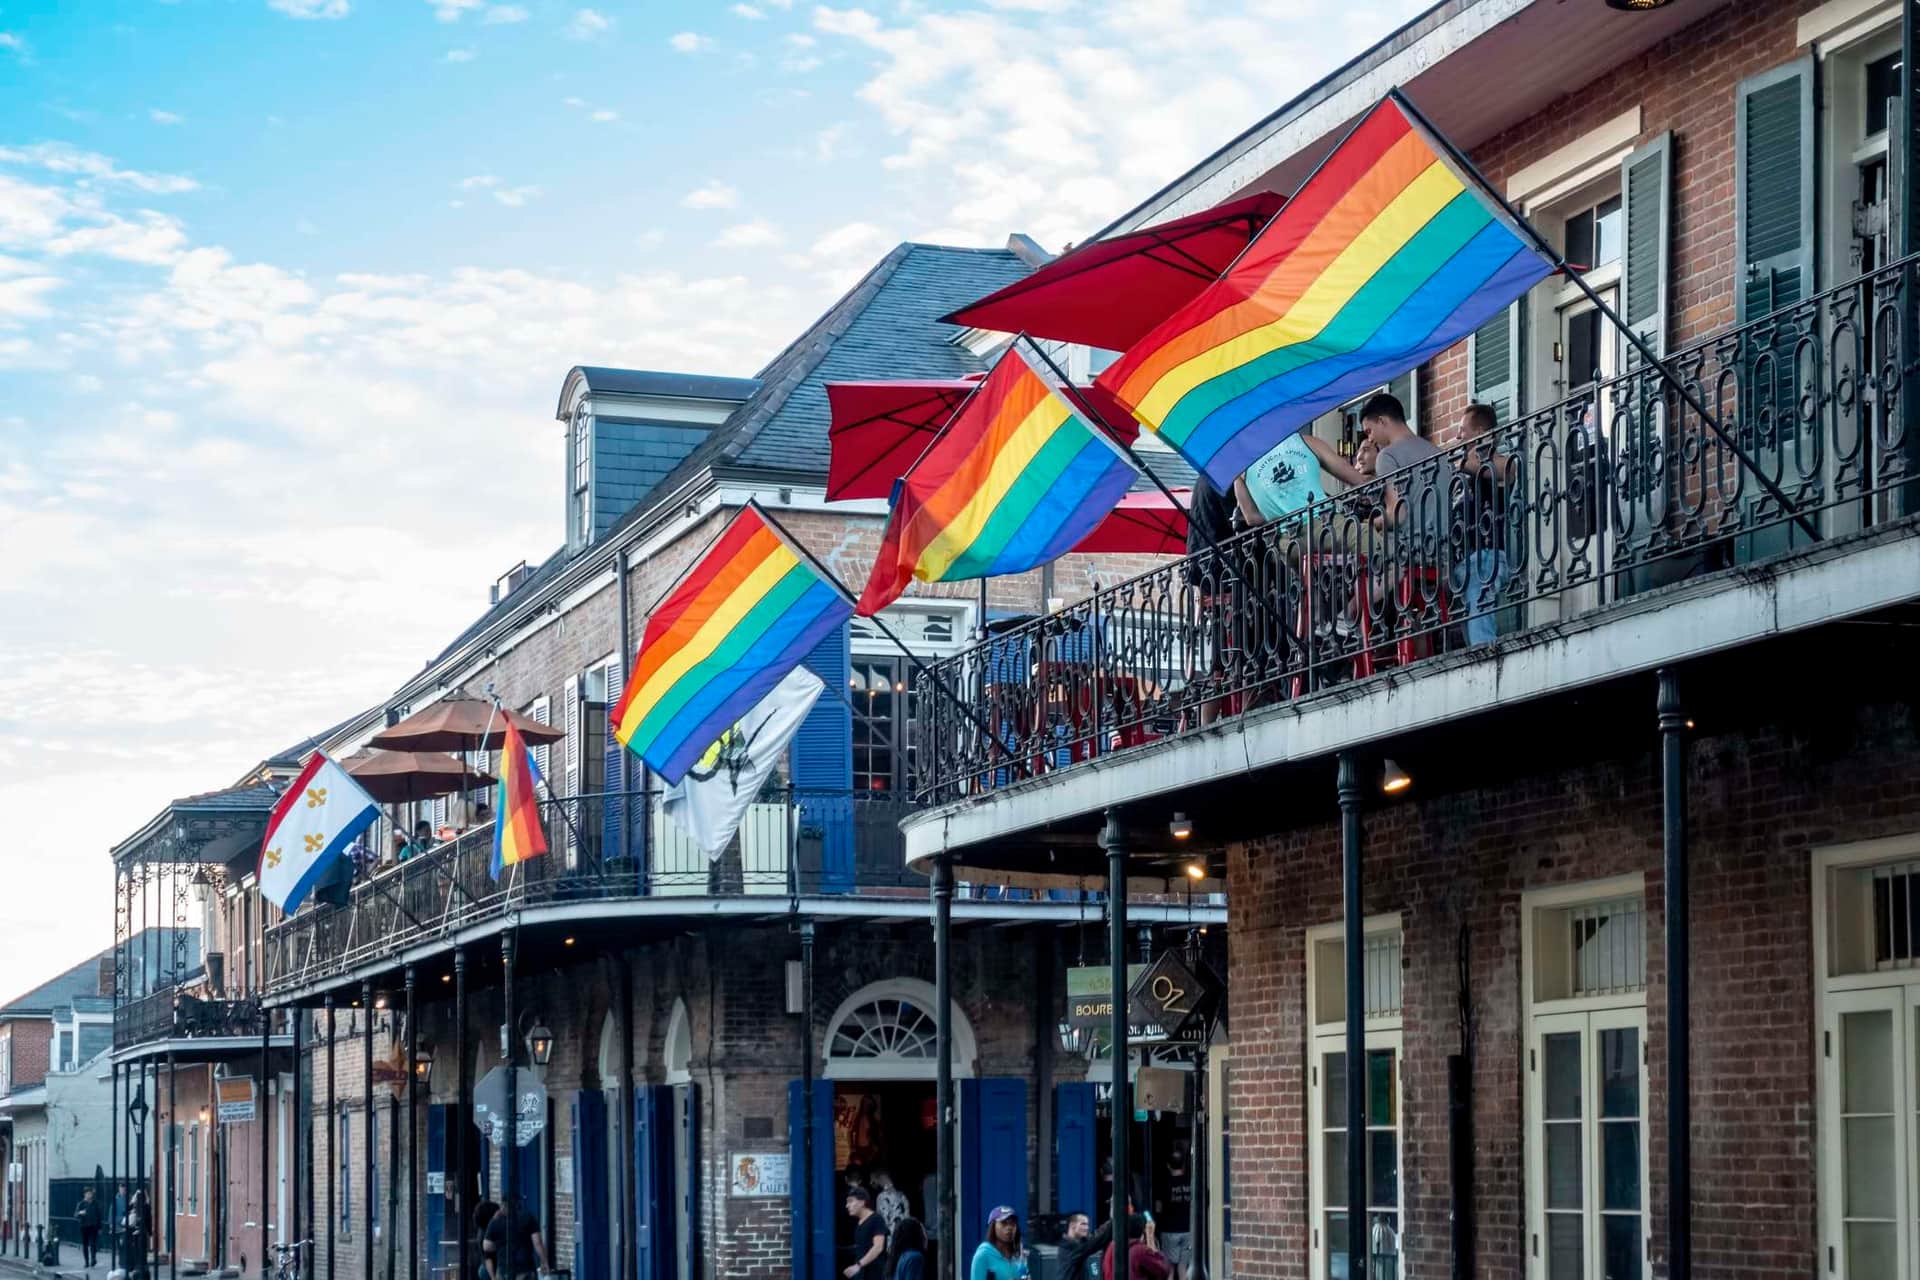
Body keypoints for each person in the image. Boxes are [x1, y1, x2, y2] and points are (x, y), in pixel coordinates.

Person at [1451, 401, 1515, 645]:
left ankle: (1485, 663)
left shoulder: (1497, 461)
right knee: (1469, 621)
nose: (1458, 436)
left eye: (1462, 430)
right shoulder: (1464, 470)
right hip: (1463, 560)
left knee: (1480, 615)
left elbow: (1508, 471)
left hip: (1485, 556)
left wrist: (1461, 463)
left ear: (1479, 433)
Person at [481, 1194, 546, 1280]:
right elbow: (538, 1243)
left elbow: (487, 1247)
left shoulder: (495, 1221)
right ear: (517, 1204)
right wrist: (544, 1261)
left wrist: (500, 1244)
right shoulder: (528, 1218)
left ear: (503, 1205)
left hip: (504, 1269)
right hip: (525, 1268)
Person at [969, 1206, 1028, 1280]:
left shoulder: (1018, 1255)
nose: (1009, 1227)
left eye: (1013, 1223)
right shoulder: (983, 1255)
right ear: (993, 1226)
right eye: (1004, 1223)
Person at [1102, 1218, 1171, 1280]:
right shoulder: (1139, 1250)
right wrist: (1150, 1238)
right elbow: (1162, 1270)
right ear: (1142, 1233)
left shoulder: (1111, 1246)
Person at [843, 1186, 887, 1280]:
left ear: (862, 1202)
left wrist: (858, 1265)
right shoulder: (860, 1222)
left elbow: (878, 1247)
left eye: (850, 1201)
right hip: (862, 1274)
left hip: (874, 1274)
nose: (847, 1205)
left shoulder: (876, 1219)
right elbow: (861, 1247)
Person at [1055, 1212, 1095, 1280]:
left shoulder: (1081, 1244)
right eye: (1083, 1224)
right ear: (1072, 1225)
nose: (1087, 1228)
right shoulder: (1068, 1247)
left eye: (1087, 1225)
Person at [470, 1201, 501, 1280]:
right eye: (497, 1212)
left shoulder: (487, 1229)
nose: (500, 1213)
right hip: (489, 1270)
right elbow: (488, 1258)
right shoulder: (485, 1236)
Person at [873, 1170, 909, 1234]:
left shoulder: (881, 1197)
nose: (873, 1182)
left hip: (891, 1235)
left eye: (875, 1180)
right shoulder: (902, 1195)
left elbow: (883, 1219)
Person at [77, 1185, 102, 1267]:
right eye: (87, 1194)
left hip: (93, 1226)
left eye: (90, 1194)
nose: (89, 1195)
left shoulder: (95, 1203)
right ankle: (86, 1261)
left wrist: (99, 1227)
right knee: (85, 1244)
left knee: (93, 1244)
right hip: (84, 1227)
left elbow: (99, 1215)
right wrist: (80, 1213)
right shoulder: (81, 1204)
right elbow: (75, 1214)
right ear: (84, 1194)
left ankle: (93, 1259)